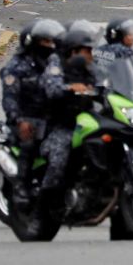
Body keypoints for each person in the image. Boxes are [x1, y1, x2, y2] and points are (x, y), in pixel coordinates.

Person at [0, 19, 65, 202]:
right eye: (45, 41)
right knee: (30, 142)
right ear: (32, 42)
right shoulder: (17, 66)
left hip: (51, 118)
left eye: (52, 41)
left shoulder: (56, 63)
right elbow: (10, 98)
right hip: (26, 118)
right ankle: (21, 185)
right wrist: (19, 120)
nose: (50, 46)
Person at [39, 25, 98, 212]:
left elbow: (107, 81)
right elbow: (52, 88)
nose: (89, 54)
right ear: (74, 51)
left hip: (88, 120)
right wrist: (70, 88)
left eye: (90, 50)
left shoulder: (91, 66)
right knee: (59, 157)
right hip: (62, 123)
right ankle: (44, 208)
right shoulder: (57, 63)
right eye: (85, 50)